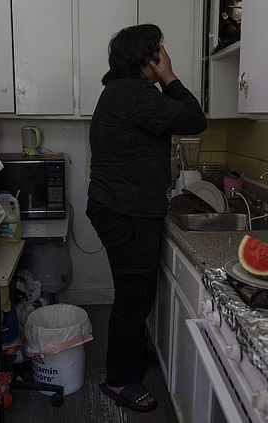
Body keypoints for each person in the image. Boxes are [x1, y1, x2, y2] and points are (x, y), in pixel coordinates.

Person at [86, 24, 207, 413]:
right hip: (126, 210)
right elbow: (194, 119)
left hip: (123, 207)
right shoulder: (134, 94)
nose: (164, 56)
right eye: (160, 51)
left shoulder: (123, 92)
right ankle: (120, 380)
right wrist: (169, 76)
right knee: (133, 296)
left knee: (137, 292)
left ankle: (130, 358)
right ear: (148, 58)